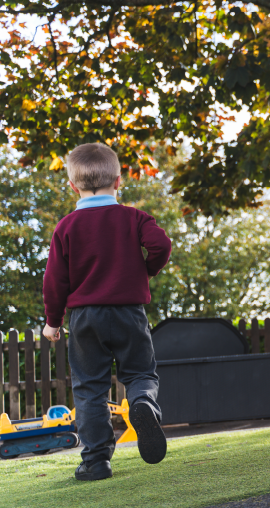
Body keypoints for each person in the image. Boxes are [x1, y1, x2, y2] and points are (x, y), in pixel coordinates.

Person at [42, 143, 172, 481]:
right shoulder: (134, 218)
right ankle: (143, 403)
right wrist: (146, 271)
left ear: (73, 186)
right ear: (118, 181)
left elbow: (55, 279)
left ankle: (97, 461)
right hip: (129, 312)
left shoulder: (66, 227)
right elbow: (161, 245)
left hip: (86, 318)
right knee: (141, 373)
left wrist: (52, 322)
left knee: (90, 388)